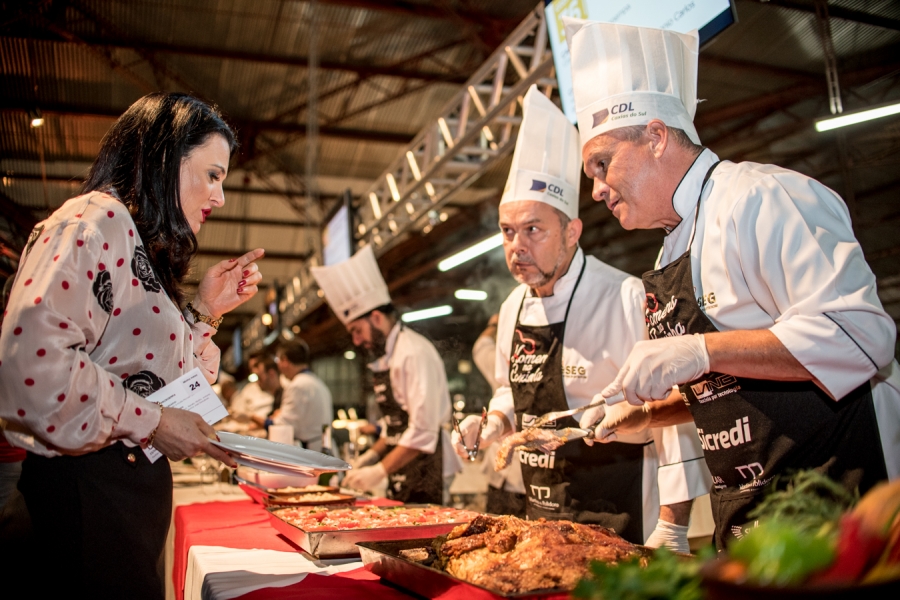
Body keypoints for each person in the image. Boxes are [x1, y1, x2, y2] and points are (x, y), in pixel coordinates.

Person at [565, 18, 900, 549]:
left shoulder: (760, 199)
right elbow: (732, 386)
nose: (600, 189)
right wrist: (652, 412)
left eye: (602, 165)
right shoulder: (670, 249)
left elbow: (859, 335)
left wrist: (700, 349)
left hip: (833, 513)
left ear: (655, 136)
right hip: (747, 524)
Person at [0, 92, 264, 596]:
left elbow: (148, 373)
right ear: (166, 160)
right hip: (81, 501)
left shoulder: (134, 240)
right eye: (213, 174)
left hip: (115, 503)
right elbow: (32, 360)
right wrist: (156, 421)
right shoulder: (93, 221)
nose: (220, 196)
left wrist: (205, 312)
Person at [453, 87, 709, 548]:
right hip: (541, 519)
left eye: (533, 230)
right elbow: (511, 391)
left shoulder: (626, 297)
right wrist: (493, 421)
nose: (518, 247)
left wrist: (673, 525)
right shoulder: (512, 306)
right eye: (508, 232)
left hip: (618, 514)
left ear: (572, 232)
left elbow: (676, 413)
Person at [312, 246, 455, 503]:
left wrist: (378, 471)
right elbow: (394, 427)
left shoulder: (412, 353)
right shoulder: (388, 357)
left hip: (427, 467)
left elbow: (422, 431)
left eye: (357, 330)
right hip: (402, 469)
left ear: (376, 317)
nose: (356, 341)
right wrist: (371, 456)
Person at [472, 313, 527, 518]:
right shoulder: (502, 359)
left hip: (526, 474)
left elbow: (480, 345)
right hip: (504, 472)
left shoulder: (498, 356)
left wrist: (494, 322)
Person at [271, 339, 333, 452]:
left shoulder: (297, 385)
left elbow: (284, 425)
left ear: (285, 360)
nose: (278, 365)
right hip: (324, 445)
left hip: (313, 451)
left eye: (277, 359)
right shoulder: (317, 381)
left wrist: (252, 417)